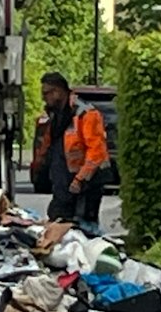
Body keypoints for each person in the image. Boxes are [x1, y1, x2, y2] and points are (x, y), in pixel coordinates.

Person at [33, 71, 110, 230]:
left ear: (58, 91)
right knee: (57, 220)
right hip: (64, 184)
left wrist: (80, 179)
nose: (43, 98)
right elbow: (49, 145)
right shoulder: (54, 115)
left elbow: (96, 153)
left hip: (85, 184)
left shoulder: (86, 114)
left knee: (84, 227)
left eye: (46, 93)